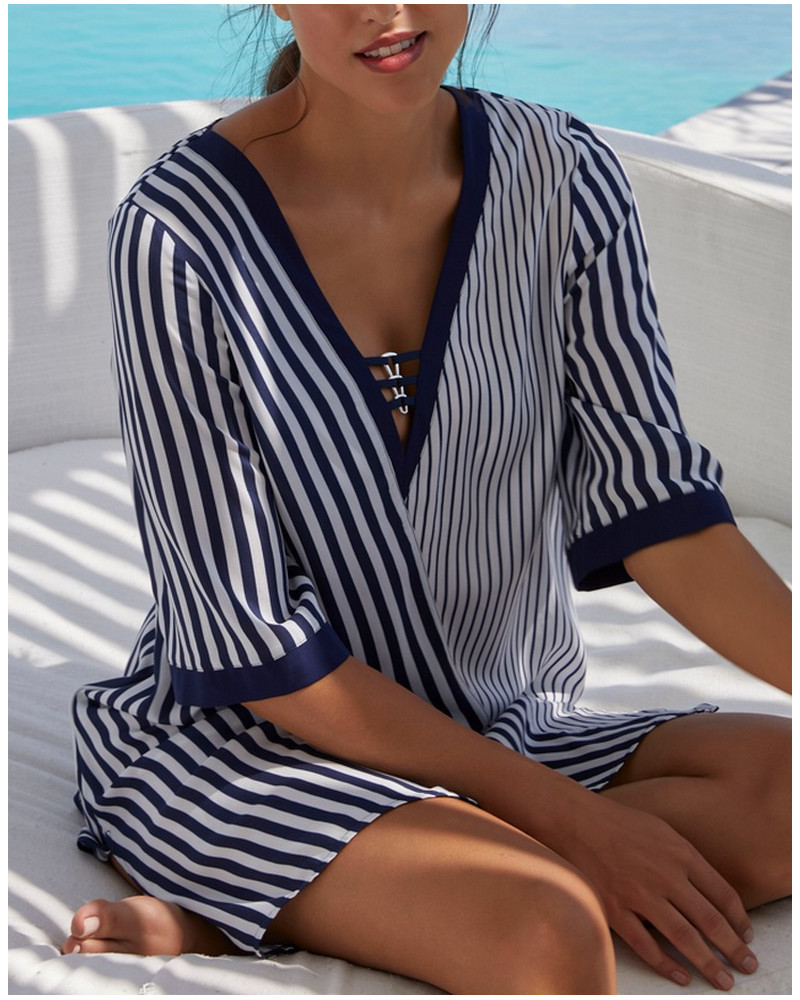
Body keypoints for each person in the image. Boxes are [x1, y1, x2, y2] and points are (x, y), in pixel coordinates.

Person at [63, 5, 790, 994]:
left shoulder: (562, 175)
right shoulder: (176, 233)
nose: (388, 10)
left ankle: (319, 903)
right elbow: (251, 640)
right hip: (258, 736)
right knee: (548, 932)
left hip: (501, 716)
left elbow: (660, 507)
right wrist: (577, 822)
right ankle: (323, 889)